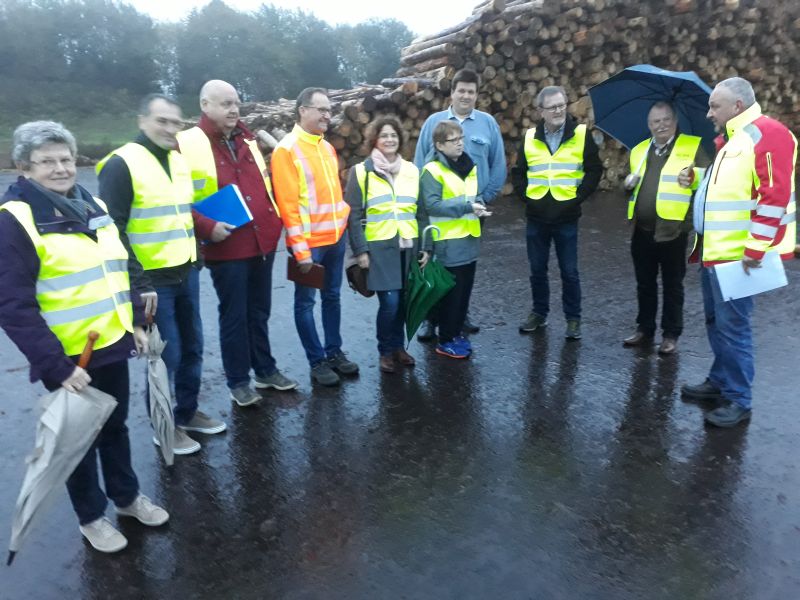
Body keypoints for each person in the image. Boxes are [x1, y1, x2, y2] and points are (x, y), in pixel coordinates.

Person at [0, 121, 169, 553]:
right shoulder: (16, 218)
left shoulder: (89, 202)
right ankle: (92, 518)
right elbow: (12, 305)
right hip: (69, 358)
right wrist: (56, 367)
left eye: (65, 158)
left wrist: (135, 320)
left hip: (110, 341)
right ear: (25, 167)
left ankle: (127, 497)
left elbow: (114, 264)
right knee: (76, 440)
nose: (60, 168)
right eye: (47, 161)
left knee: (114, 427)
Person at [97, 94, 223, 457]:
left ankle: (186, 410)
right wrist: (138, 282)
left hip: (185, 272)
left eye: (176, 123)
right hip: (151, 282)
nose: (171, 129)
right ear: (142, 121)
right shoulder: (122, 164)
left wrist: (196, 255)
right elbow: (113, 229)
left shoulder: (178, 161)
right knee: (163, 356)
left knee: (193, 348)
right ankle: (164, 427)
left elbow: (183, 216)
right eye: (162, 121)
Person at [678, 77, 797, 427]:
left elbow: (773, 195)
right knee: (717, 323)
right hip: (716, 253)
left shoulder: (766, 135)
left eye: (715, 105)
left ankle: (739, 399)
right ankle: (720, 381)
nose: (709, 112)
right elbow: (732, 187)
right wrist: (698, 177)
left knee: (734, 328)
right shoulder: (733, 139)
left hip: (739, 259)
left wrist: (756, 249)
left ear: (738, 107)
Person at [177, 80, 298, 407]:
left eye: (236, 103)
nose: (234, 109)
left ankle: (265, 369)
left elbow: (261, 184)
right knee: (235, 315)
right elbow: (175, 199)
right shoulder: (186, 144)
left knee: (259, 312)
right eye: (225, 103)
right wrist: (205, 227)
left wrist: (274, 225)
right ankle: (239, 380)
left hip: (262, 241)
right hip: (226, 245)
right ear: (205, 105)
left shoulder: (248, 138)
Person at [271, 87, 359, 386]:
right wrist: (301, 251)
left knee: (332, 297)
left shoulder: (326, 148)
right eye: (320, 109)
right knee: (305, 303)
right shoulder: (287, 150)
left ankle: (334, 352)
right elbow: (288, 206)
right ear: (302, 110)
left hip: (335, 240)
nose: (327, 115)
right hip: (309, 246)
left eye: (329, 110)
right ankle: (317, 360)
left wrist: (343, 226)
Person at [413, 68, 506, 338]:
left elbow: (498, 164)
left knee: (465, 267)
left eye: (471, 91)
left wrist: (484, 198)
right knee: (435, 264)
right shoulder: (434, 123)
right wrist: (424, 203)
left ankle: (459, 314)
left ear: (477, 95)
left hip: (474, 210)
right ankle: (431, 318)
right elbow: (421, 162)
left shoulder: (487, 124)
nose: (466, 95)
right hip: (438, 211)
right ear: (452, 92)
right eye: (461, 90)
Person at [511, 85, 603, 340]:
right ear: (541, 111)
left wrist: (578, 197)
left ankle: (573, 319)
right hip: (537, 217)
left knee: (569, 272)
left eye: (562, 105)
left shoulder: (581, 134)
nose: (558, 111)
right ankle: (539, 313)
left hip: (567, 216)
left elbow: (595, 170)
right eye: (552, 107)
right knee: (537, 270)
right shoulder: (529, 137)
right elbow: (519, 172)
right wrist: (527, 198)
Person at [622, 101, 709, 355]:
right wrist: (626, 185)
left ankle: (671, 335)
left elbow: (710, 177)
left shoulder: (691, 146)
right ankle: (644, 329)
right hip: (643, 230)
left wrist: (694, 177)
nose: (661, 125)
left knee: (673, 286)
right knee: (644, 284)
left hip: (674, 232)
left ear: (675, 121)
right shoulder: (639, 150)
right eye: (655, 122)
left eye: (666, 120)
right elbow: (630, 190)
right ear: (649, 125)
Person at [345, 116, 428, 373]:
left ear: (400, 139)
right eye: (384, 135)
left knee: (404, 301)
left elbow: (422, 212)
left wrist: (426, 246)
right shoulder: (360, 172)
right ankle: (385, 350)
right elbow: (354, 214)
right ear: (375, 140)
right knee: (390, 303)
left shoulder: (413, 171)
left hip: (408, 247)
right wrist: (361, 251)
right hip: (379, 249)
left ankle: (399, 347)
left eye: (393, 135)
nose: (390, 139)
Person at [420, 121, 489, 359]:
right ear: (439, 145)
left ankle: (456, 331)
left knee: (464, 292)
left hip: (469, 239)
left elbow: (474, 194)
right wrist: (467, 206)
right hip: (448, 242)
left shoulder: (469, 165)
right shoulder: (432, 170)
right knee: (452, 294)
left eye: (461, 137)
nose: (460, 142)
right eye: (453, 139)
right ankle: (446, 339)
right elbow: (432, 204)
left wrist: (479, 205)